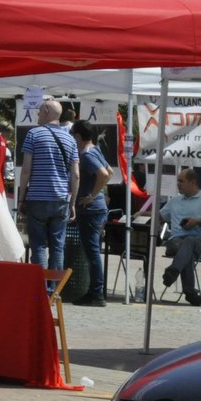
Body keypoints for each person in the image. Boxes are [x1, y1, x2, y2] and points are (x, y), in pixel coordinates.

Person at [17, 97, 79, 271]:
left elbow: (26, 170)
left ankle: (41, 289)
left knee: (38, 246)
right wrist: (72, 202)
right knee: (58, 246)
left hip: (37, 198)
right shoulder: (70, 140)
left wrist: (22, 199)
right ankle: (54, 291)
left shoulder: (33, 134)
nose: (37, 114)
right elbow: (75, 175)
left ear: (46, 112)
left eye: (39, 111)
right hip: (61, 200)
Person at [158, 166, 201, 307]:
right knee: (186, 248)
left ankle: (177, 274)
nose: (178, 184)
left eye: (181, 181)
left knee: (189, 242)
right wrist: (140, 214)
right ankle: (186, 289)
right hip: (175, 242)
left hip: (200, 243)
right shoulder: (175, 201)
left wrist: (198, 221)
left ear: (193, 182)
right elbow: (159, 216)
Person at [72, 120, 112, 307]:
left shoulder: (87, 155)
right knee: (94, 250)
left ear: (78, 136)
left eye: (73, 135)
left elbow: (104, 174)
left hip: (90, 210)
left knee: (92, 252)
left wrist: (91, 195)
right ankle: (96, 291)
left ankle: (96, 293)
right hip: (97, 208)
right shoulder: (95, 149)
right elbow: (110, 171)